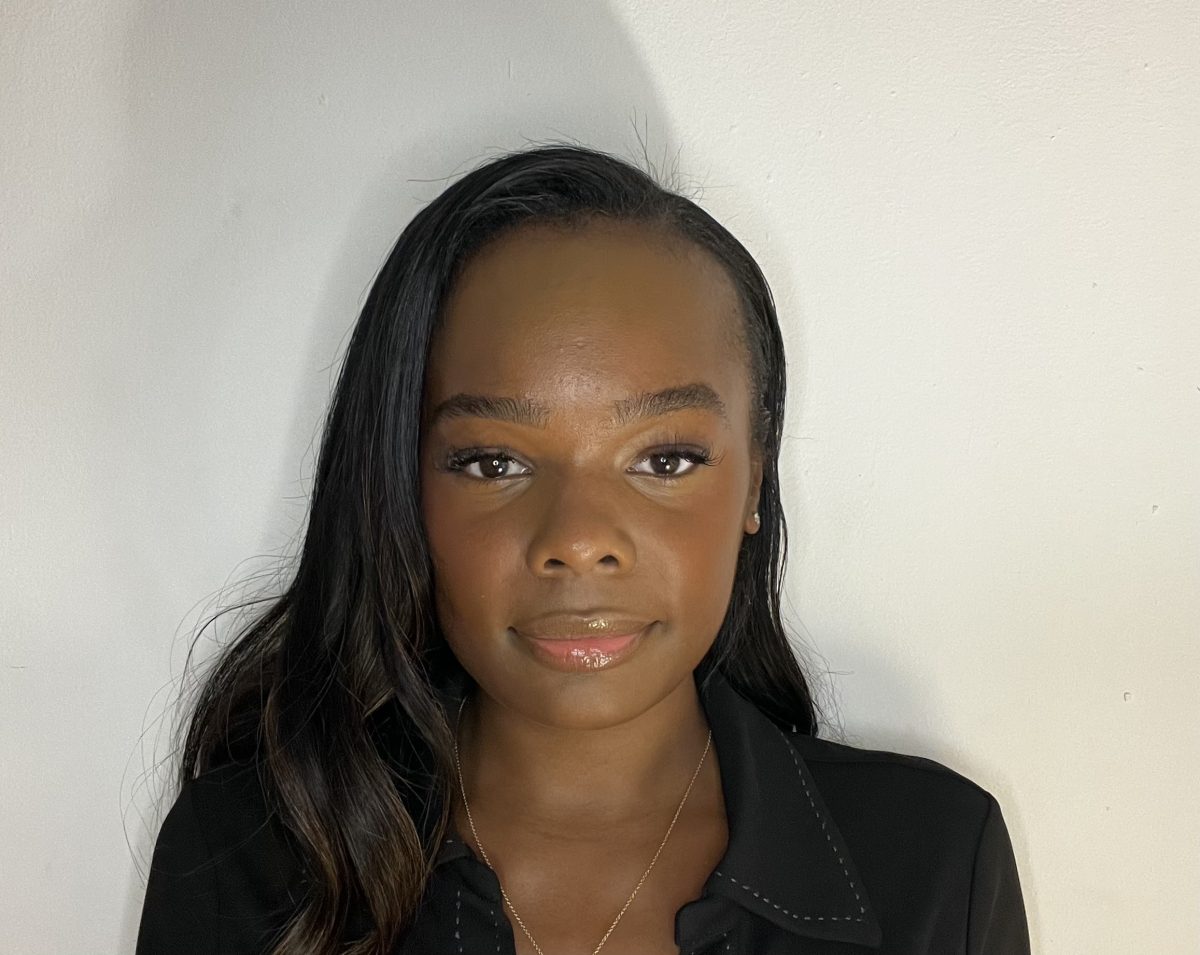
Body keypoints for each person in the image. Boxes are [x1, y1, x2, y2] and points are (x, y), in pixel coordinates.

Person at [135, 144, 1030, 955]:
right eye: (494, 461)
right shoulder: (245, 859)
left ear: (755, 480)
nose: (578, 541)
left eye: (664, 459)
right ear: (402, 486)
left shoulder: (935, 864)